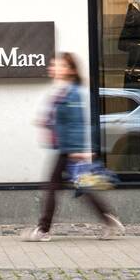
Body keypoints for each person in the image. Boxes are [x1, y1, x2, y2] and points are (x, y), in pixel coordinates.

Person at [25, 52, 124, 241]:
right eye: (53, 64)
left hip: (70, 149)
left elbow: (77, 123)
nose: (53, 68)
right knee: (81, 187)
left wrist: (80, 150)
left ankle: (43, 230)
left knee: (55, 187)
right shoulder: (62, 91)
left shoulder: (74, 93)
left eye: (59, 65)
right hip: (64, 147)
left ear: (70, 70)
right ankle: (108, 219)